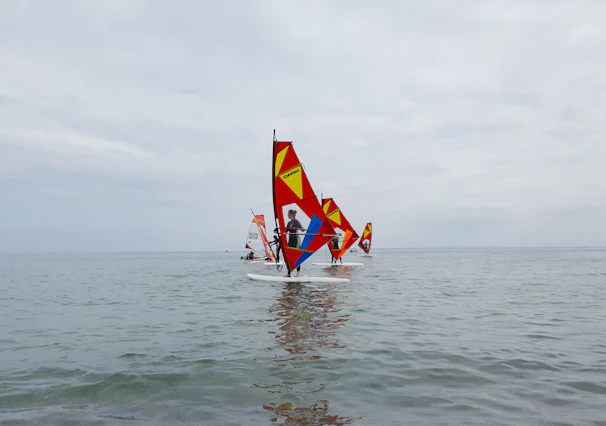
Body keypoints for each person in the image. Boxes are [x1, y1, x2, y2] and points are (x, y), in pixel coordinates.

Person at [285, 209, 305, 277]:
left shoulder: (296, 222)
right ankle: (289, 273)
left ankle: (298, 273)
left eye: (288, 214)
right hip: (290, 240)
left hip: (296, 240)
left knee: (296, 256)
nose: (287, 215)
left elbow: (302, 229)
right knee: (289, 257)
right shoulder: (288, 223)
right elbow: (285, 231)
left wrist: (302, 229)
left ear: (291, 214)